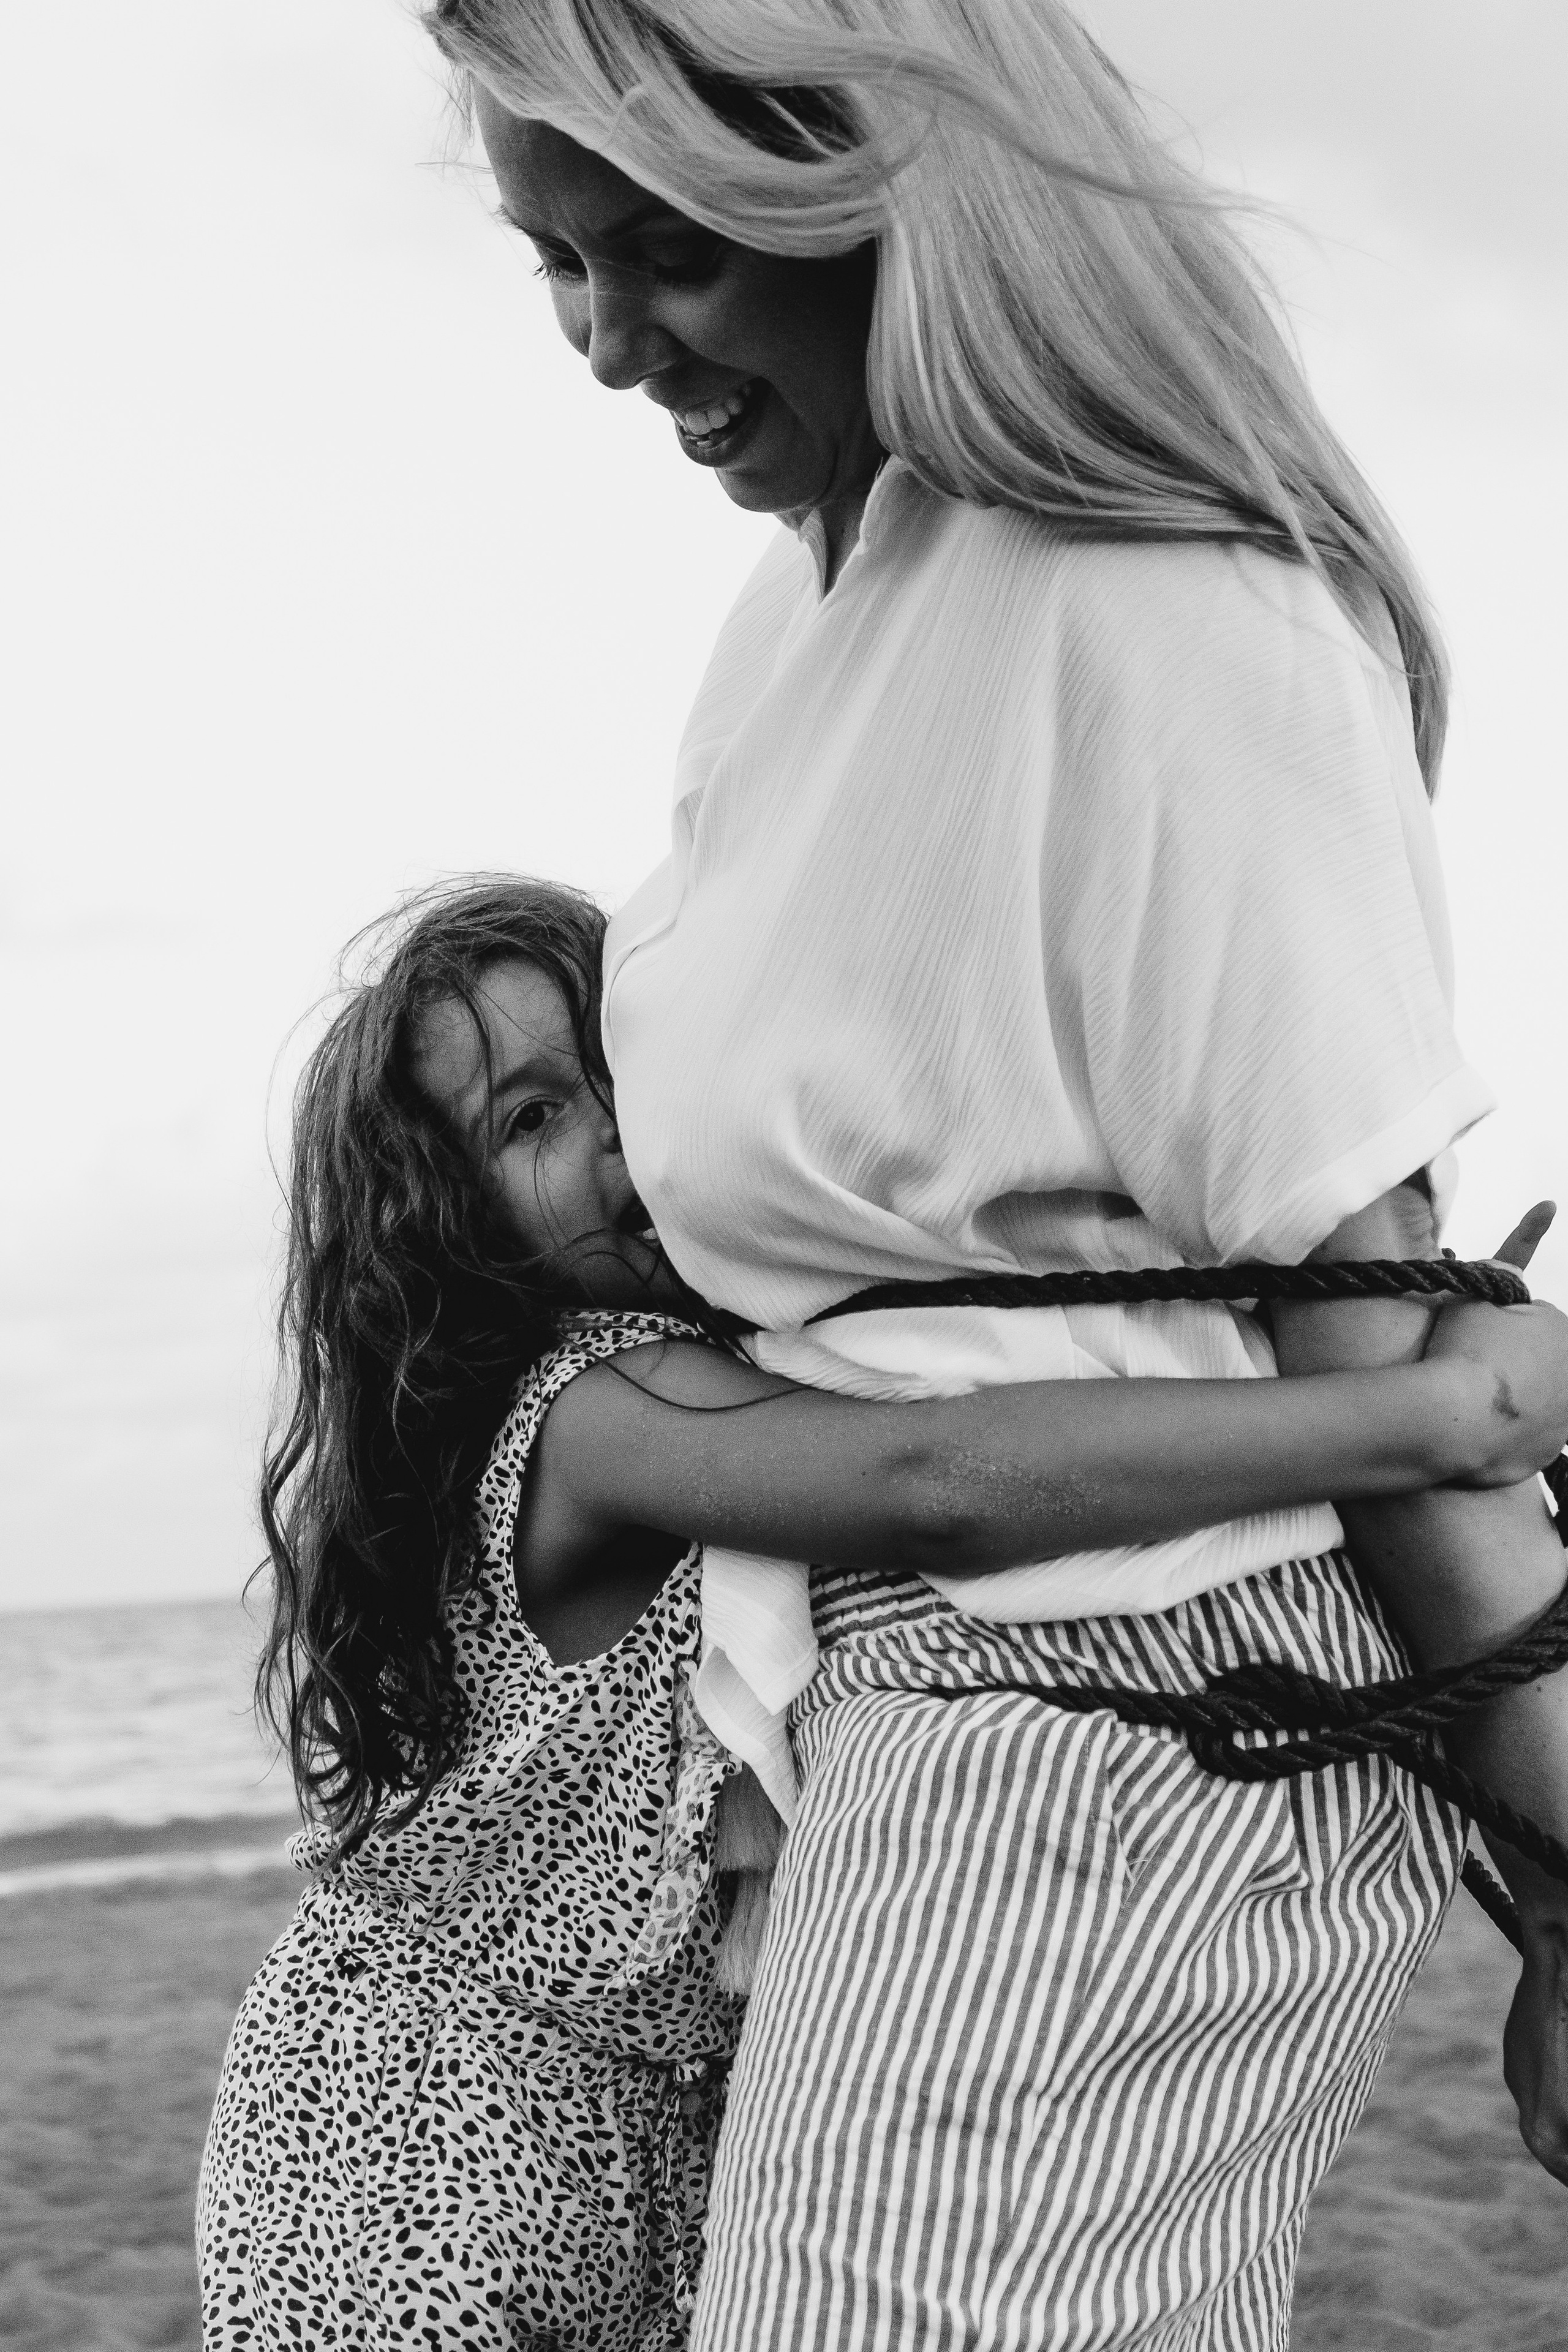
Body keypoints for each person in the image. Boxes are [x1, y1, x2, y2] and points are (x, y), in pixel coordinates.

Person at [423, 3, 1568, 2343]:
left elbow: (1373, 1323)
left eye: (667, 253)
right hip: (906, 1707)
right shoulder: (788, 633)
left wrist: (1564, 1893)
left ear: (876, 187)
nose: (611, 340)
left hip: (1128, 1695)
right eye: (556, 260)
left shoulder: (1163, 609)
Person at [198, 878, 1566, 2349]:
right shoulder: (589, 1409)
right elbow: (938, 1481)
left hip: (631, 2126)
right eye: (529, 1120)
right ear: (446, 1233)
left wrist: (1368, 1295)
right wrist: (1424, 1412)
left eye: (616, 1069)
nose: (606, 1129)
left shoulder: (734, 1349)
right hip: (412, 2144)